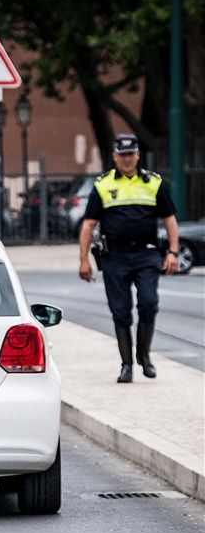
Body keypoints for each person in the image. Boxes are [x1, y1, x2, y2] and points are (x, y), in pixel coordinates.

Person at [78, 133, 180, 382]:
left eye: (131, 154)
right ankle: (126, 365)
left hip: (146, 253)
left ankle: (143, 356)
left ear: (138, 156)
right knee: (120, 311)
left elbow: (170, 221)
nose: (127, 159)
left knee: (148, 304)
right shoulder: (103, 185)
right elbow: (89, 224)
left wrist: (173, 252)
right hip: (115, 256)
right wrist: (83, 260)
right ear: (114, 157)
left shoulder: (154, 183)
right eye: (122, 155)